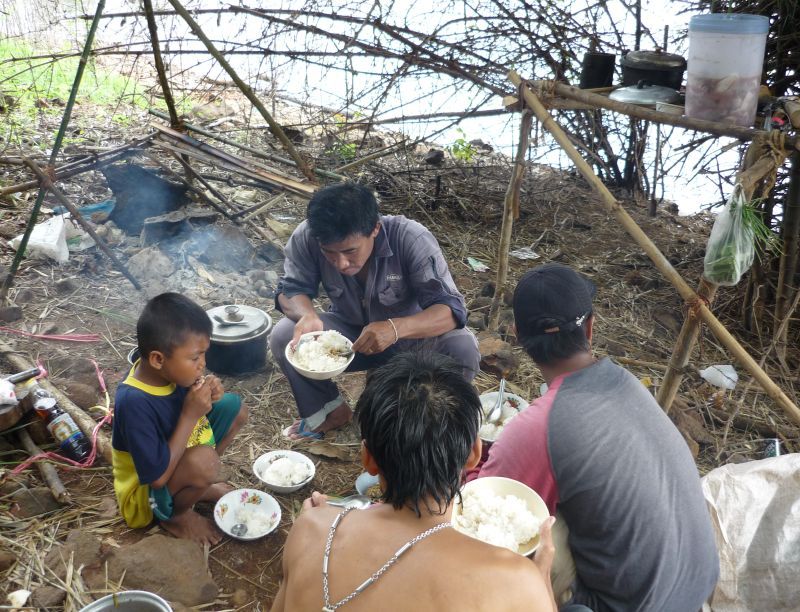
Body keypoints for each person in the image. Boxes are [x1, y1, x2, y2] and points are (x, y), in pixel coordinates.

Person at [474, 263, 719, 611]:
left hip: (627, 606)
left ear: (516, 334)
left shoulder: (537, 427)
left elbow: (481, 509)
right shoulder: (630, 383)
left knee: (532, 529)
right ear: (590, 328)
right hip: (696, 588)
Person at [271, 352, 557, 612]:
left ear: (367, 459)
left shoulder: (309, 528)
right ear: (474, 454)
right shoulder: (517, 582)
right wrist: (541, 576)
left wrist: (336, 518)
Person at [270, 182, 480, 440]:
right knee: (284, 335)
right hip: (351, 339)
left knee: (463, 347)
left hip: (412, 341)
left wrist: (395, 329)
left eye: (350, 251)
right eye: (329, 253)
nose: (341, 263)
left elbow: (451, 310)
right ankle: (329, 411)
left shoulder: (410, 237)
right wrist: (306, 314)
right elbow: (289, 289)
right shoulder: (309, 235)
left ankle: (437, 428)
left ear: (375, 229)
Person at [112, 293, 248, 545]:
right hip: (145, 497)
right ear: (157, 359)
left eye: (204, 355)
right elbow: (157, 478)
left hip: (177, 455)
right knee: (205, 462)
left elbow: (194, 415)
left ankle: (195, 485)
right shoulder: (134, 402)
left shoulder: (170, 374)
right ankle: (176, 515)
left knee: (234, 410)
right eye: (195, 358)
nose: (203, 365)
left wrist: (209, 397)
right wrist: (190, 414)